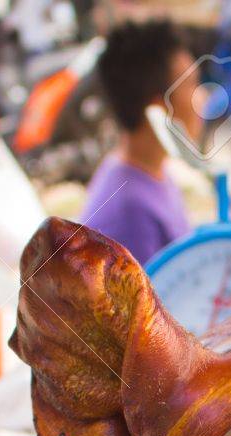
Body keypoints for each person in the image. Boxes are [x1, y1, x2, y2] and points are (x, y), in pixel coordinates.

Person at [80, 20, 198, 265]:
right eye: (191, 85)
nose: (203, 98)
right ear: (157, 109)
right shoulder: (130, 211)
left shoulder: (151, 172)